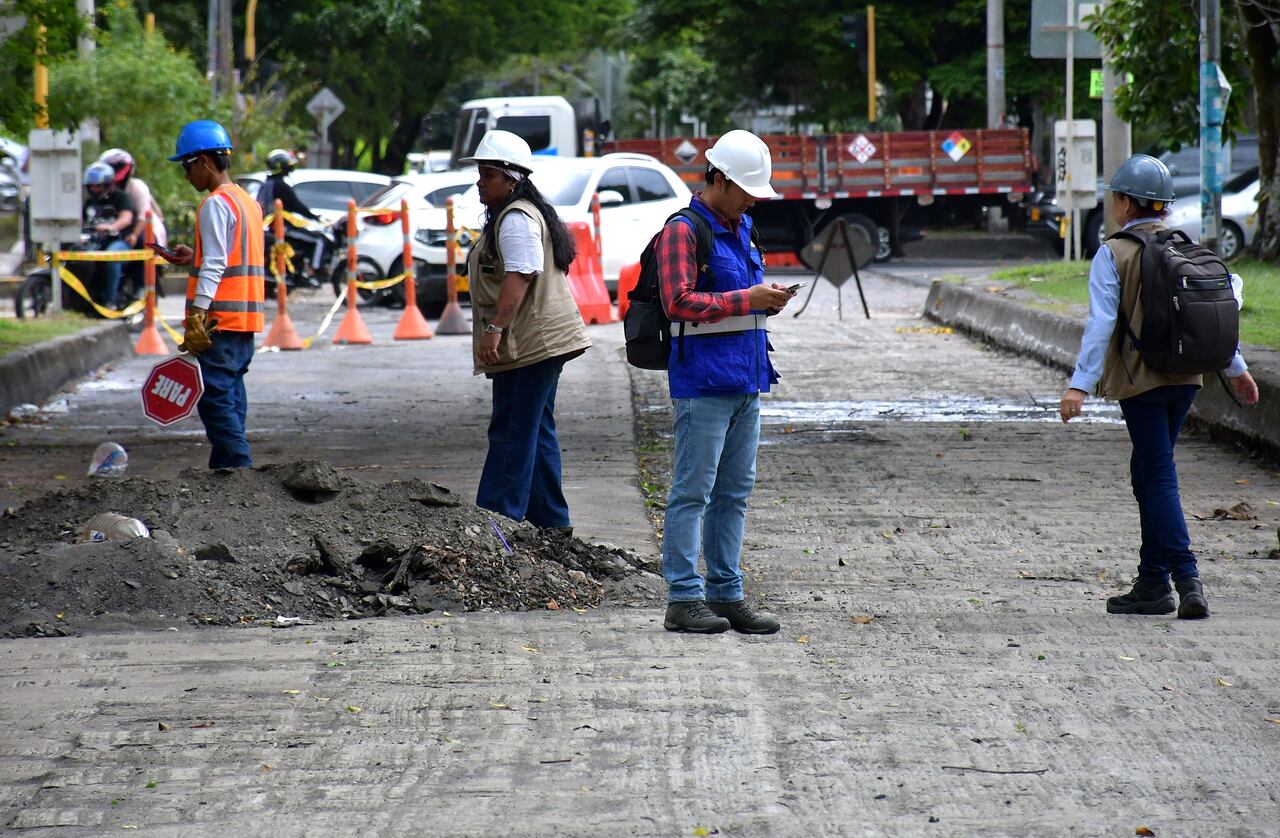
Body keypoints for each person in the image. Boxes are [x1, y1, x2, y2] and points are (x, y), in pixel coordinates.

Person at [1059, 153, 1260, 619]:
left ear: (1128, 203)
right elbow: (1211, 312)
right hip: (1187, 376)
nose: (1112, 205)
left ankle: (1187, 577)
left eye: (1115, 197)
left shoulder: (1114, 252)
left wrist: (1079, 387)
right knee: (1147, 473)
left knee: (1159, 474)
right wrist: (1236, 368)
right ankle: (1151, 583)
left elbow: (1101, 324)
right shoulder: (1186, 246)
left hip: (1141, 379)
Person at [655, 130, 796, 635]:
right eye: (745, 189)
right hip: (702, 383)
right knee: (693, 491)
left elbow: (738, 294)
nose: (753, 198)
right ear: (717, 178)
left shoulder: (744, 226)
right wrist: (750, 299)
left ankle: (726, 592)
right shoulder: (684, 230)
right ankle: (683, 597)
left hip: (745, 379)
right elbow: (679, 302)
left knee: (734, 492)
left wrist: (767, 296)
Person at [460, 130, 592, 532]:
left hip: (530, 344)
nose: (479, 182)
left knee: (512, 430)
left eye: (487, 174)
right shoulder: (516, 213)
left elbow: (520, 275)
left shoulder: (516, 219)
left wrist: (494, 329)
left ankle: (498, 520)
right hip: (541, 342)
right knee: (537, 428)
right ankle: (552, 523)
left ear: (511, 178)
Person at [164, 120, 266, 469]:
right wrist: (194, 255)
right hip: (245, 319)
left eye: (186, 166)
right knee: (231, 391)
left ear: (205, 162)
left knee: (214, 398)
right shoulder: (246, 202)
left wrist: (198, 313)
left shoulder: (215, 204)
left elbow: (218, 264)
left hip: (220, 320)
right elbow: (235, 253)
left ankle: (240, 466)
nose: (186, 175)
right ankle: (226, 471)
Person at [100, 148, 167, 300]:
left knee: (143, 245)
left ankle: (140, 286)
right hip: (124, 230)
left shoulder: (136, 187)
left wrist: (135, 234)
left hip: (147, 229)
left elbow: (144, 215)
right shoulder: (107, 189)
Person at [258, 148, 329, 278]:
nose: (290, 167)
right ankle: (314, 272)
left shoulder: (269, 183)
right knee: (319, 240)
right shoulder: (280, 186)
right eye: (287, 163)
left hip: (273, 227)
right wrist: (314, 217)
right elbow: (297, 206)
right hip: (283, 228)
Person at [81, 161, 135, 308]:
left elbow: (126, 218)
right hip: (95, 242)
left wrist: (110, 227)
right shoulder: (89, 203)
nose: (94, 189)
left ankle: (110, 301)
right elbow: (82, 222)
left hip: (119, 241)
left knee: (112, 256)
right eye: (91, 186)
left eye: (98, 185)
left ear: (108, 185)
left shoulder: (121, 197)